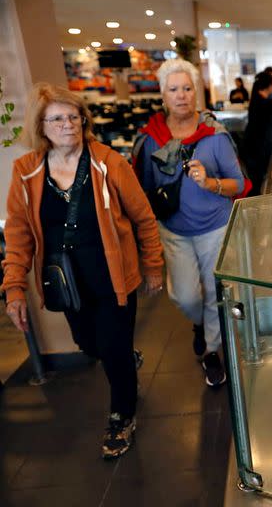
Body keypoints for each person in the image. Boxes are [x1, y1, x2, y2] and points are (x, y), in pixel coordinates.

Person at [1, 83, 164, 459]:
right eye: (57, 118)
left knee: (112, 348)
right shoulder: (26, 171)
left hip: (113, 275)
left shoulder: (109, 162)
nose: (68, 124)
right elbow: (19, 232)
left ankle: (122, 417)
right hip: (67, 282)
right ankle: (122, 357)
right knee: (89, 345)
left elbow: (143, 218)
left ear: (84, 120)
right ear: (40, 126)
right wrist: (14, 287)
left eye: (74, 116)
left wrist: (153, 265)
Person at [133, 59, 244, 387]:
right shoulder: (150, 138)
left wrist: (210, 183)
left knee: (214, 293)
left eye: (187, 88)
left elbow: (238, 183)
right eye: (173, 89)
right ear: (162, 95)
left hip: (215, 227)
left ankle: (212, 351)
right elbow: (143, 189)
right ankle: (200, 325)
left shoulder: (216, 135)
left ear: (197, 91)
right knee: (185, 297)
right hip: (174, 231)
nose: (181, 95)